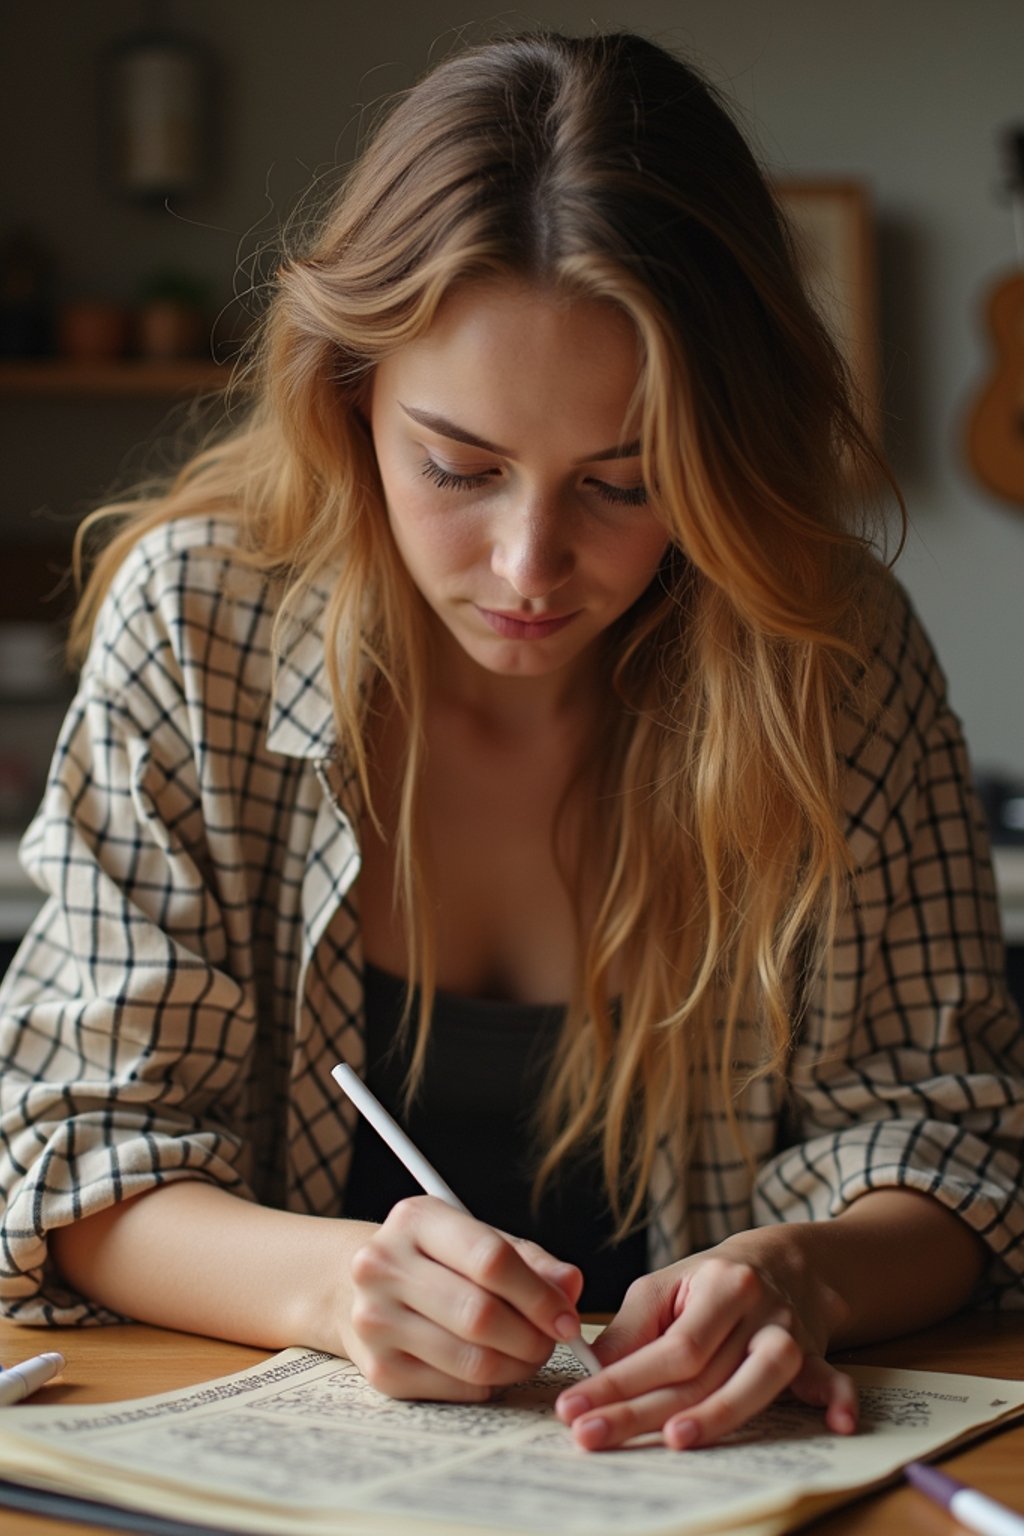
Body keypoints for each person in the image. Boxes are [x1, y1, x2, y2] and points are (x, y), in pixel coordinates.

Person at [1, 30, 1022, 1456]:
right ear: (349, 397)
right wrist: (335, 1284)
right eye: (459, 468)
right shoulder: (199, 624)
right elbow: (79, 1152)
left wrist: (808, 1272)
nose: (530, 564)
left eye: (625, 481)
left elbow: (951, 1141)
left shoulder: (825, 661)